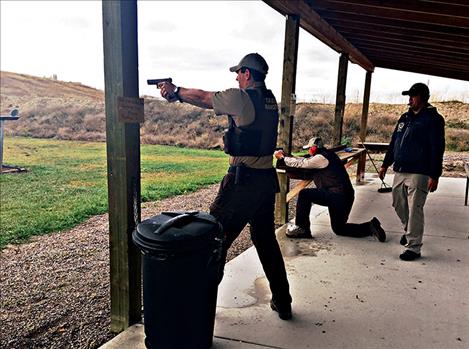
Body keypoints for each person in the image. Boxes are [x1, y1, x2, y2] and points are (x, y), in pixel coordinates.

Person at [158, 53, 292, 320]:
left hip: (242, 182)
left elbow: (204, 98)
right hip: (265, 181)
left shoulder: (241, 97)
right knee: (266, 242)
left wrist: (175, 92)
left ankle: (197, 309)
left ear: (247, 74)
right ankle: (283, 300)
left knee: (212, 242)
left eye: (239, 72)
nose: (236, 77)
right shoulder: (269, 100)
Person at [379, 83, 445, 261]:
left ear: (423, 98)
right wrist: (385, 165)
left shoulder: (433, 119)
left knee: (415, 208)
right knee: (397, 203)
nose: (409, 99)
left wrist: (435, 174)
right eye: (409, 96)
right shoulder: (404, 118)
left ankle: (413, 247)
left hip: (420, 171)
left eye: (413, 96)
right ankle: (410, 231)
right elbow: (394, 143)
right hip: (400, 169)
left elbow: (437, 148)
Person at [274, 137, 386, 242]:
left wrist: (283, 158)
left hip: (336, 195)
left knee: (304, 194)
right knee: (339, 229)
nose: (309, 151)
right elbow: (303, 160)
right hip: (345, 196)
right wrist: (287, 157)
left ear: (314, 148)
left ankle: (303, 228)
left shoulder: (320, 158)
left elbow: (302, 163)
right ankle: (370, 227)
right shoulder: (328, 155)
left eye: (310, 148)